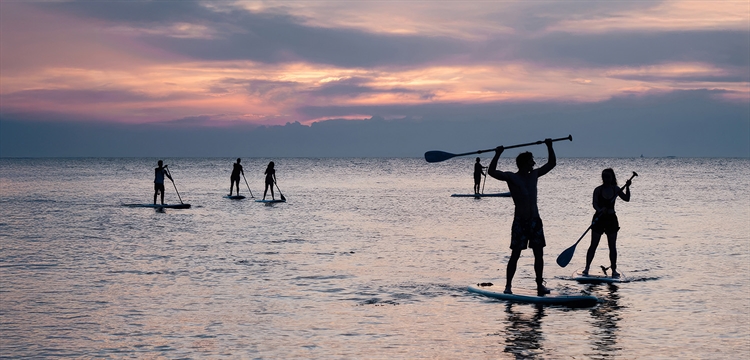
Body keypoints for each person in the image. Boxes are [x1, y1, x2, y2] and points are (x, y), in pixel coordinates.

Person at [487, 139, 556, 296]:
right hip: (520, 221)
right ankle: (508, 286)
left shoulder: (535, 175)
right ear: (525, 163)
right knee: (515, 254)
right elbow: (492, 172)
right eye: (531, 161)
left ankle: (539, 286)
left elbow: (551, 163)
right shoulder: (512, 177)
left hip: (535, 221)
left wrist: (550, 146)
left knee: (538, 254)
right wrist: (497, 154)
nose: (533, 163)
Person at [583, 168, 631, 278]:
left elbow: (627, 198)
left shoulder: (616, 189)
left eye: (608, 177)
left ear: (612, 178)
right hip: (599, 219)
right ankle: (587, 268)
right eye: (604, 177)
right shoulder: (598, 190)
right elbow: (594, 204)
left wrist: (628, 187)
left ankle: (614, 270)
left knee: (612, 246)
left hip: (611, 219)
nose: (606, 179)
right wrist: (600, 210)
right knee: (593, 244)